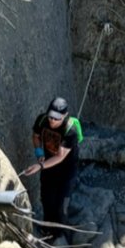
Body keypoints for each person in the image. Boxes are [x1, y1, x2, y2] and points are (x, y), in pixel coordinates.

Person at [24, 97, 79, 239]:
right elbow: (36, 136)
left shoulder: (70, 131)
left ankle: (61, 233)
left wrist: (39, 166)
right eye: (51, 117)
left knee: (61, 207)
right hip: (48, 168)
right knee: (47, 201)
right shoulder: (42, 120)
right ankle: (47, 230)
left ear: (65, 116)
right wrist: (39, 152)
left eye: (57, 118)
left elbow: (60, 156)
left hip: (66, 172)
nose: (52, 121)